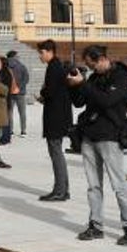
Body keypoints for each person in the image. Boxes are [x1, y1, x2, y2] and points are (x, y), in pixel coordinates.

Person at [68, 44, 127, 246]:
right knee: (93, 186)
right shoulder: (93, 78)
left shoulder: (121, 77)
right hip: (90, 135)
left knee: (118, 185)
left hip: (110, 135)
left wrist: (84, 85)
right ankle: (96, 224)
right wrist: (74, 85)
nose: (90, 69)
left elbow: (106, 100)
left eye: (92, 65)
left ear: (101, 59)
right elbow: (80, 103)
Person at [36, 39, 71, 201]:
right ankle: (63, 188)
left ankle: (60, 190)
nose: (40, 56)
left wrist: (43, 94)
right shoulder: (56, 66)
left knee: (56, 153)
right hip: (59, 115)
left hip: (55, 117)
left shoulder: (54, 67)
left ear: (50, 52)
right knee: (57, 153)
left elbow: (50, 92)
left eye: (42, 53)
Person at [5, 49, 30, 139]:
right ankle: (23, 131)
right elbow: (26, 78)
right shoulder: (21, 66)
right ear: (14, 56)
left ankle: (10, 130)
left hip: (9, 92)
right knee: (22, 112)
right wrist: (19, 87)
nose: (19, 57)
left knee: (9, 112)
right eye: (17, 56)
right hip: (20, 92)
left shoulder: (5, 66)